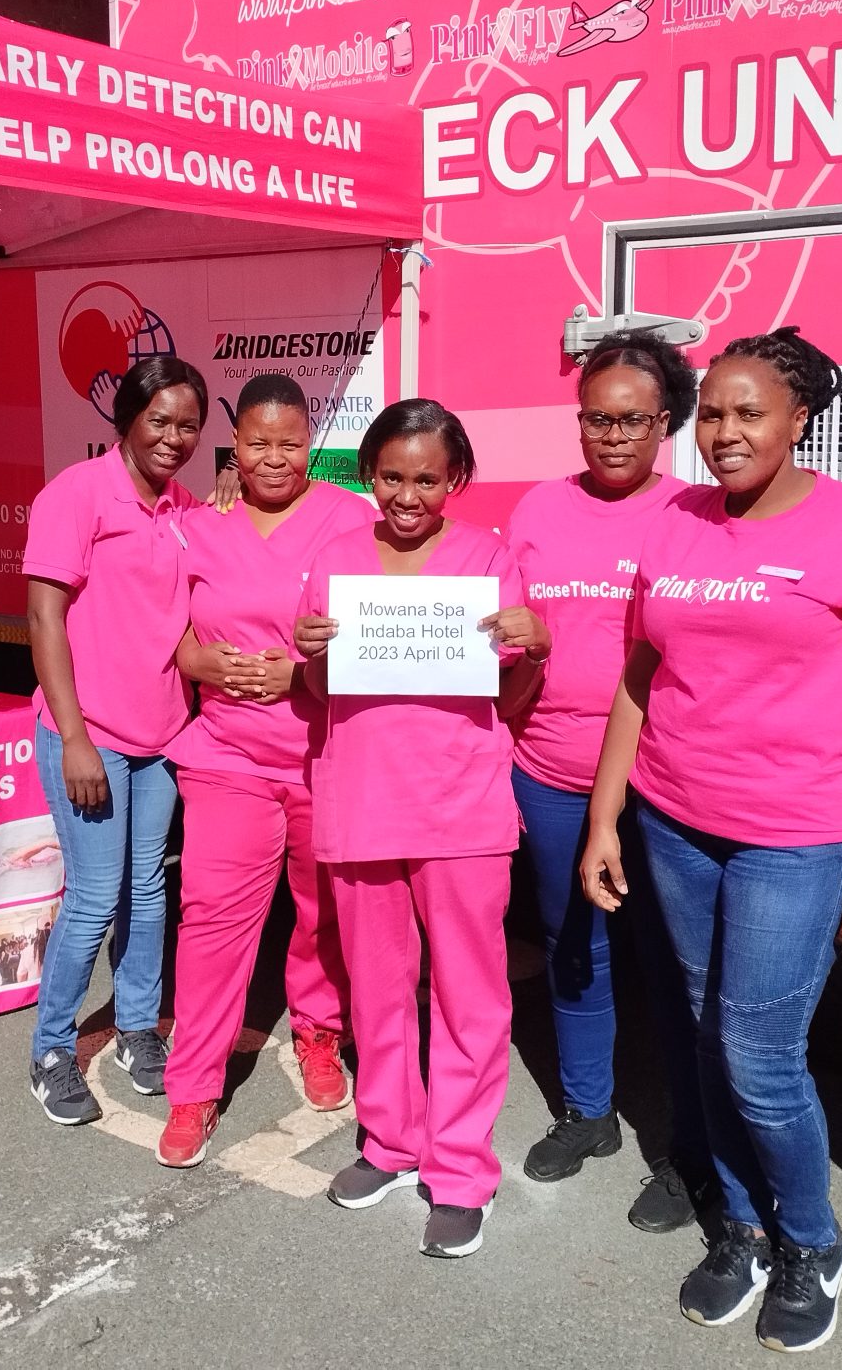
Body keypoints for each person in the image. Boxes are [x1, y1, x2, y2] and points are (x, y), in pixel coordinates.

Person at [583, 328, 842, 1353]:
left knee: (758, 1053)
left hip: (797, 836)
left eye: (749, 413)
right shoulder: (676, 523)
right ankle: (739, 1226)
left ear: (798, 418)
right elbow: (640, 676)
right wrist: (605, 815)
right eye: (712, 414)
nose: (724, 433)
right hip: (675, 821)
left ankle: (811, 1240)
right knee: (701, 1033)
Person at [294, 399, 545, 1260]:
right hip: (363, 801)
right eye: (392, 477)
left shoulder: (490, 561)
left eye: (427, 479)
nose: (407, 496)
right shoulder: (335, 561)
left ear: (455, 479)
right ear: (369, 473)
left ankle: (462, 1169)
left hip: (461, 807)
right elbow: (321, 693)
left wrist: (536, 645)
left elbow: (511, 694)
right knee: (376, 989)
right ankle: (391, 1142)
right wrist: (313, 653)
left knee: (470, 996)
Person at [504, 329, 713, 1231]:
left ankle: (689, 1151)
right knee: (573, 948)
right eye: (597, 418)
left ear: (665, 423)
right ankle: (588, 1112)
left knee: (674, 967)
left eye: (632, 420)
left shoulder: (698, 515)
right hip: (550, 771)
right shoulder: (539, 510)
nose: (613, 435)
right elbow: (503, 632)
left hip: (663, 785)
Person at [156, 373, 367, 1168]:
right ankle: (193, 1088)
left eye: (289, 443)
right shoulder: (196, 525)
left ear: (310, 442)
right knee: (211, 921)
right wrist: (201, 661)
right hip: (228, 755)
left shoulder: (351, 520)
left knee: (324, 915)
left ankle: (320, 1033)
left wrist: (303, 676)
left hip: (322, 753)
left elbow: (376, 634)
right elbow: (169, 629)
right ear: (234, 446)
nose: (274, 458)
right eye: (257, 443)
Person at [23, 355, 208, 1126]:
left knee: (147, 889)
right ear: (126, 419)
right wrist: (73, 737)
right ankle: (50, 1049)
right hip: (90, 734)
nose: (173, 437)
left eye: (188, 425)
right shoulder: (76, 494)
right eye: (159, 420)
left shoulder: (183, 504)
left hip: (161, 736)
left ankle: (136, 1029)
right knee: (96, 895)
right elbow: (43, 618)